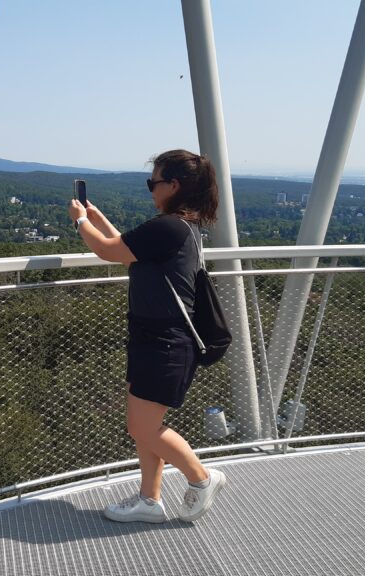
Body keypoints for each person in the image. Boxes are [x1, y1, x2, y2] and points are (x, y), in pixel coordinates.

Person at [68, 149, 228, 523]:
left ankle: (202, 478)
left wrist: (79, 222)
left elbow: (109, 251)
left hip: (164, 345)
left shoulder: (168, 227)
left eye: (152, 182)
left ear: (173, 185)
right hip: (155, 341)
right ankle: (149, 500)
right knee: (144, 428)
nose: (150, 190)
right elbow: (128, 250)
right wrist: (96, 217)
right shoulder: (179, 227)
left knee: (142, 426)